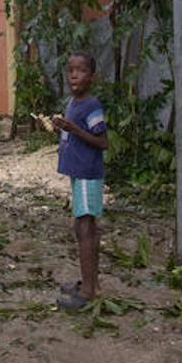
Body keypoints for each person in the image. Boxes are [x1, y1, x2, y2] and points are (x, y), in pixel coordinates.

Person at [54, 52, 108, 310]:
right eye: (70, 70)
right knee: (81, 227)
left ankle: (88, 291)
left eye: (81, 70)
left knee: (86, 228)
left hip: (88, 173)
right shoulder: (73, 103)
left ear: (92, 77)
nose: (74, 75)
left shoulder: (91, 105)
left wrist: (74, 129)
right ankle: (90, 282)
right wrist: (62, 127)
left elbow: (102, 141)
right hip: (78, 173)